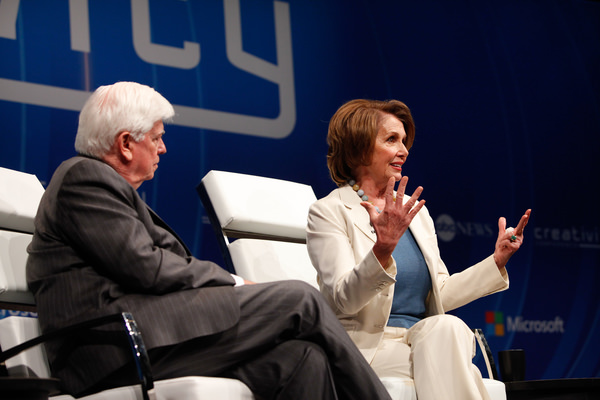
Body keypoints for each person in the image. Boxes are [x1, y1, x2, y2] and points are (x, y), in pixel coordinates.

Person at [26, 82, 393, 400]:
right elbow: (147, 266)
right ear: (125, 144)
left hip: (148, 336)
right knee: (300, 298)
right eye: (156, 138)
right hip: (113, 348)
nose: (163, 149)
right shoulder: (84, 179)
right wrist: (234, 282)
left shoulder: (109, 189)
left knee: (300, 359)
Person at [306, 99, 531, 400]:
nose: (404, 150)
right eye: (391, 140)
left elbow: (441, 291)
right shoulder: (329, 211)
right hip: (367, 347)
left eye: (404, 141)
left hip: (425, 338)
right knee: (458, 361)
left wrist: (496, 261)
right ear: (359, 147)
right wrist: (383, 249)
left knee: (447, 328)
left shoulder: (415, 212)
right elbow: (344, 299)